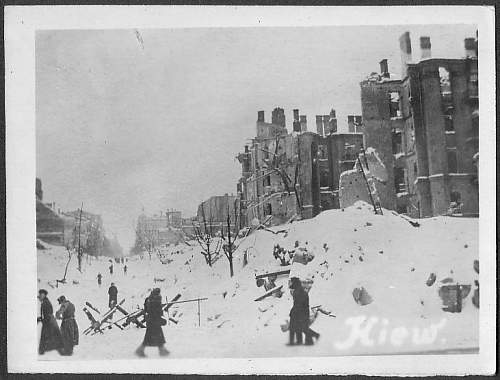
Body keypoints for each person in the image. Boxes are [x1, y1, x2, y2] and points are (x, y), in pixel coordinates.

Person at [135, 288, 168, 357]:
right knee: (151, 337)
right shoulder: (156, 300)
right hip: (154, 321)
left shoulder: (149, 299)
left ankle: (162, 350)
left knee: (157, 336)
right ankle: (140, 351)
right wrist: (160, 319)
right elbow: (156, 311)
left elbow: (146, 310)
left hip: (151, 321)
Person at [288, 277, 319, 345]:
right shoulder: (299, 290)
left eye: (291, 282)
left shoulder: (298, 292)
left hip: (301, 312)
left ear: (295, 283)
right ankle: (302, 341)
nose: (290, 284)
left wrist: (294, 312)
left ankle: (313, 337)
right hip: (302, 311)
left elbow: (298, 304)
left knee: (301, 327)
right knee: (300, 327)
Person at [37, 289, 64, 355]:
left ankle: (42, 350)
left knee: (54, 335)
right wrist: (40, 319)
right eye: (40, 294)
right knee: (51, 335)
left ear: (44, 295)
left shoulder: (46, 302)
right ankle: (42, 350)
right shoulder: (44, 302)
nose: (40, 296)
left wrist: (42, 319)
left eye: (41, 294)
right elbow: (45, 314)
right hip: (48, 320)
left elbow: (49, 313)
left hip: (49, 321)